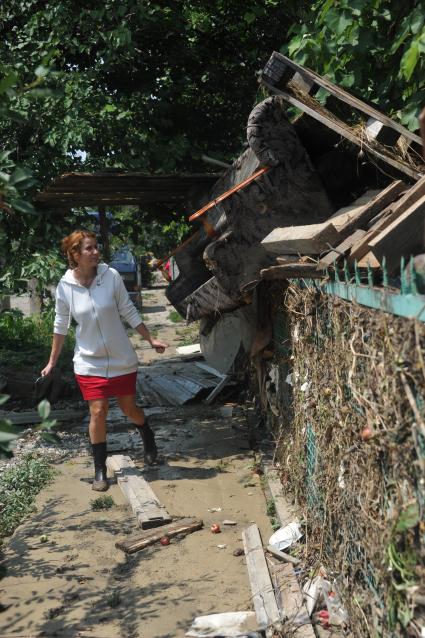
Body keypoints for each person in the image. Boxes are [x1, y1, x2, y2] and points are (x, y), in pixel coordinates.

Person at [41, 230, 168, 492]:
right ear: (74, 254)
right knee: (98, 412)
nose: (96, 252)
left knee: (129, 409)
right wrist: (52, 361)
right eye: (89, 249)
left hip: (121, 358)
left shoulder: (110, 276)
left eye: (96, 247)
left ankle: (148, 436)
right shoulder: (65, 287)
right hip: (89, 362)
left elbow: (128, 310)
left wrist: (150, 340)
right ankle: (100, 468)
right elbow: (60, 325)